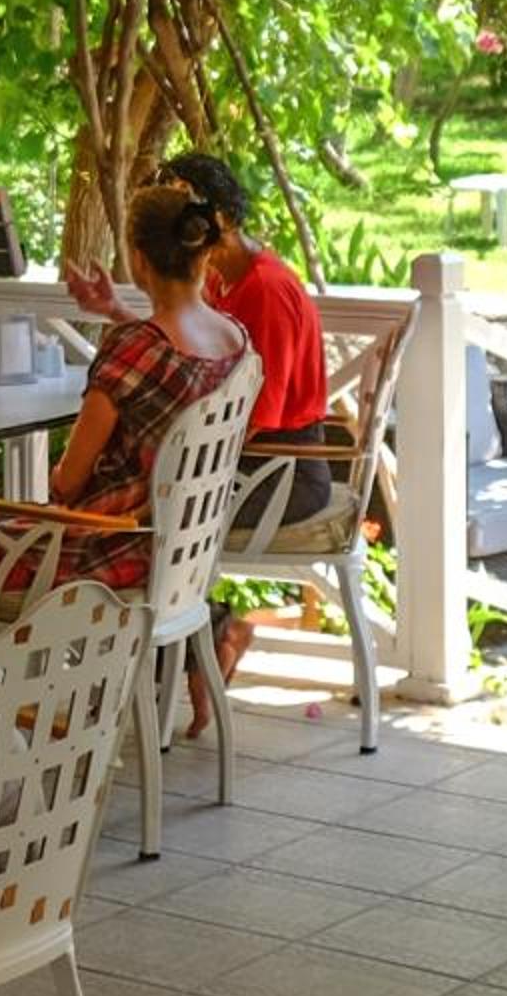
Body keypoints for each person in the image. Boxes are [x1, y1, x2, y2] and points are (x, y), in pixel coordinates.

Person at [67, 152, 327, 709]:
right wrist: (116, 311)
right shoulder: (226, 289)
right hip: (235, 467)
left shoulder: (264, 290)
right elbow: (183, 356)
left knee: (138, 523)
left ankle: (195, 642)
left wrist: (176, 470)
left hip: (281, 472)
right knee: (145, 515)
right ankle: (203, 640)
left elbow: (252, 419)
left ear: (217, 219)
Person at [0, 182, 252, 600]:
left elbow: (68, 484)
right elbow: (171, 365)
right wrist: (115, 311)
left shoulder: (132, 350)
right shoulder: (237, 341)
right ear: (202, 252)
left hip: (102, 549)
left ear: (138, 259)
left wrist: (53, 484)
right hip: (181, 551)